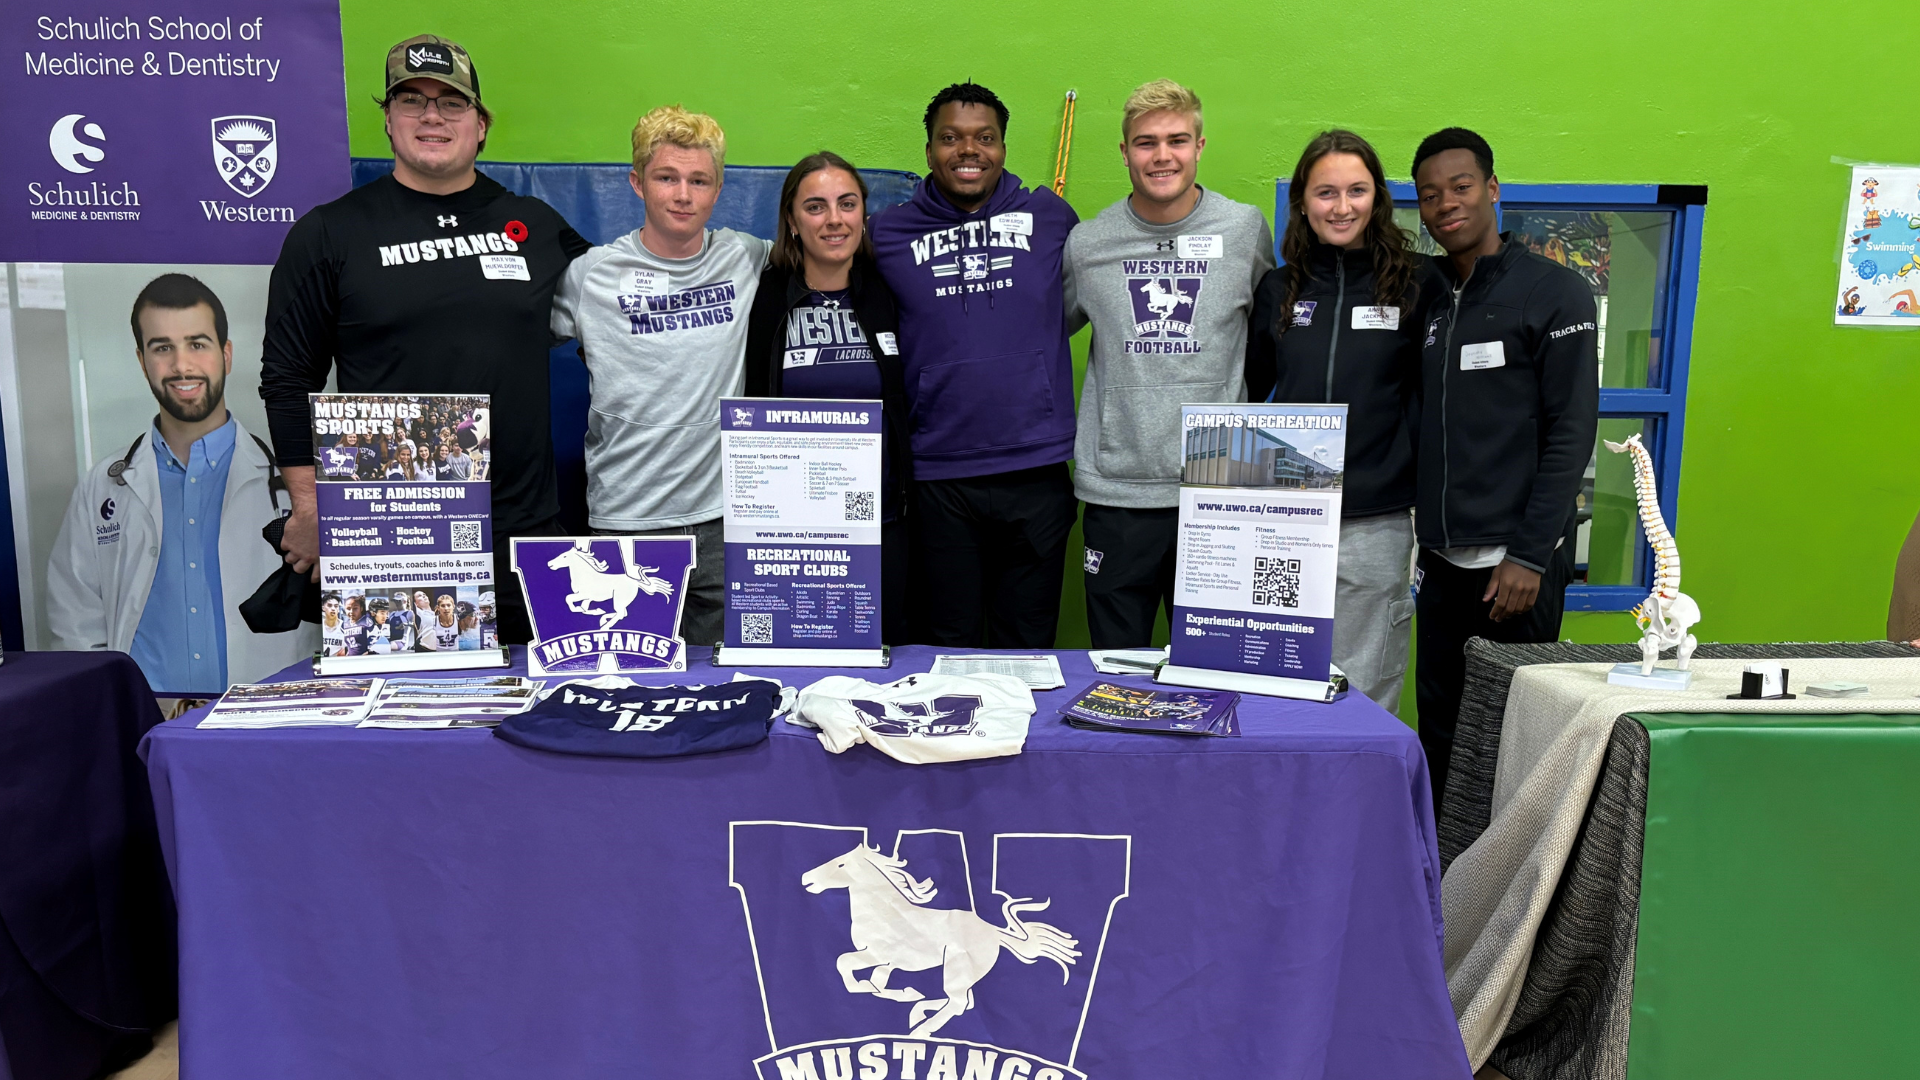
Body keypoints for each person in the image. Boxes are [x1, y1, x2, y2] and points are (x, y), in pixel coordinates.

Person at [259, 34, 591, 645]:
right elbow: (287, 381)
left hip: (520, 526)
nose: (432, 116)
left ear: (481, 124)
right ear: (387, 118)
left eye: (452, 102)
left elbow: (623, 321)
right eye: (412, 100)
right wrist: (307, 509)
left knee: (524, 717)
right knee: (400, 718)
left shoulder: (536, 226)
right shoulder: (329, 233)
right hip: (393, 526)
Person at [1410, 128, 1599, 805]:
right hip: (1439, 564)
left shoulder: (1556, 293)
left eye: (1460, 188)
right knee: (1440, 735)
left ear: (1492, 189)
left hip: (1515, 572)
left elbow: (1572, 430)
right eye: (1430, 196)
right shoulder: (1427, 294)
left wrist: (1530, 554)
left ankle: (1513, 898)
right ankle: (1438, 894)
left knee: (1512, 742)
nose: (1446, 205)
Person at [1063, 79, 1273, 648]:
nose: (1162, 156)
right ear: (1125, 151)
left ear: (1200, 146)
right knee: (1117, 670)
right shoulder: (1087, 243)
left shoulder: (1245, 228)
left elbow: (1273, 335)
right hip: (1118, 491)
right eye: (1145, 142)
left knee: (1218, 665)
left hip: (1219, 488)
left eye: (1177, 140)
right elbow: (1041, 339)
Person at [551, 104, 770, 647]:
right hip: (629, 517)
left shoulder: (746, 258)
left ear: (718, 189)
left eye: (699, 180)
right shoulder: (590, 275)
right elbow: (505, 343)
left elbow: (830, 256)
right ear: (636, 183)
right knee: (628, 691)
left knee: (729, 687)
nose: (682, 195)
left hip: (727, 520)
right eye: (666, 177)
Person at [870, 81, 1080, 647]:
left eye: (984, 138)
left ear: (1003, 147)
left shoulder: (1051, 216)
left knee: (1027, 647)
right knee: (948, 645)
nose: (969, 150)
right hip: (939, 473)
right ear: (929, 150)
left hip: (1036, 468)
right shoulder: (887, 233)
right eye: (951, 139)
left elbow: (1078, 307)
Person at [48, 274, 316, 693]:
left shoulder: (296, 484)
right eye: (162, 348)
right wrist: (105, 708)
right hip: (143, 726)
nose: (181, 366)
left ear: (226, 355)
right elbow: (74, 621)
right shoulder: (103, 486)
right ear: (141, 360)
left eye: (197, 344)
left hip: (268, 715)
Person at [1245, 130, 1426, 713]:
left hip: (1375, 521)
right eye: (1326, 192)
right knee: (1276, 678)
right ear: (1302, 200)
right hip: (1286, 517)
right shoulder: (1278, 289)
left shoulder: (1419, 285)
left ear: (1378, 198)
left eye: (1356, 190)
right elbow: (1247, 393)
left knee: (1365, 689)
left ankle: (1361, 806)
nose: (1341, 207)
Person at [743, 151, 911, 642]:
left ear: (864, 214)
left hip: (878, 517)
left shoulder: (888, 292)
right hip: (790, 527)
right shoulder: (764, 295)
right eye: (815, 207)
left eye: (847, 203)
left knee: (886, 653)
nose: (834, 219)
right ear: (792, 222)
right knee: (795, 656)